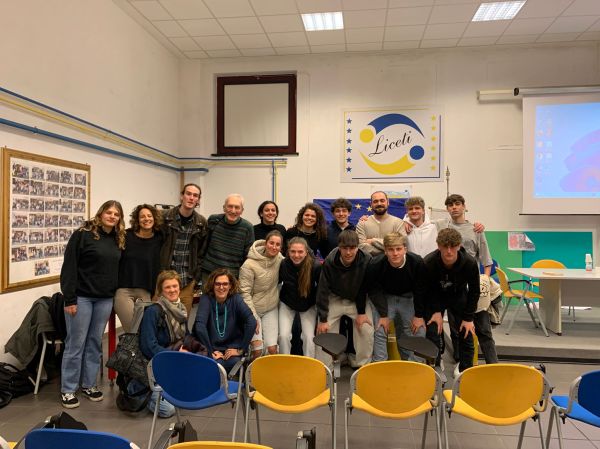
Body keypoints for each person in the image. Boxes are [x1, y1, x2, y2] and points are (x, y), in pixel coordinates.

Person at [60, 200, 125, 409]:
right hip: (81, 298)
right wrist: (69, 298)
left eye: (116, 214)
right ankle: (68, 389)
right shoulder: (83, 234)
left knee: (94, 343)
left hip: (104, 299)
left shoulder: (117, 239)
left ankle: (89, 385)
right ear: (101, 213)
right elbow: (69, 266)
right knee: (75, 344)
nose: (112, 216)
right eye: (109, 212)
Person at [440, 194, 500, 368]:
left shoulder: (476, 229)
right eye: (450, 205)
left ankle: (493, 365)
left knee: (483, 328)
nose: (454, 207)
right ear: (447, 209)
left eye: (457, 204)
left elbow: (486, 260)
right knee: (456, 328)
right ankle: (461, 363)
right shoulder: (442, 227)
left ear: (464, 206)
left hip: (473, 284)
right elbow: (418, 220)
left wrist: (484, 280)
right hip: (453, 287)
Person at [412, 228, 479, 373]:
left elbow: (474, 291)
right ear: (438, 246)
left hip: (458, 295)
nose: (449, 251)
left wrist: (468, 318)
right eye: (445, 246)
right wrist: (433, 311)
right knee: (432, 331)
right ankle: (435, 365)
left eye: (453, 246)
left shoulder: (470, 263)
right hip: (434, 296)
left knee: (466, 331)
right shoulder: (428, 262)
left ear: (459, 246)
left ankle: (465, 368)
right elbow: (421, 291)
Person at [316, 230, 374, 368]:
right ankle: (326, 368)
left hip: (357, 299)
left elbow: (364, 288)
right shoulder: (330, 261)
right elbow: (322, 290)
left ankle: (363, 366)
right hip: (335, 297)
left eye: (352, 248)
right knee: (324, 329)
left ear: (358, 247)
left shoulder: (366, 260)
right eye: (344, 248)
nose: (348, 252)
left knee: (366, 328)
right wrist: (323, 319)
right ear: (339, 247)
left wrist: (361, 312)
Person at [136, 270, 189, 418]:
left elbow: (186, 337)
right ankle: (141, 396)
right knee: (168, 410)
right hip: (154, 366)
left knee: (190, 396)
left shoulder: (181, 309)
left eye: (175, 286)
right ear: (160, 290)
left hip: (172, 363)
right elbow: (148, 346)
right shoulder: (153, 311)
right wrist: (174, 354)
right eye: (167, 287)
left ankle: (171, 387)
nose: (172, 290)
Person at [370, 233, 427, 361]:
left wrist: (419, 316)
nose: (395, 253)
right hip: (386, 298)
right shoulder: (376, 264)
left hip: (409, 298)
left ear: (405, 249)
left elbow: (420, 290)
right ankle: (380, 363)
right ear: (385, 251)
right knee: (380, 328)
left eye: (398, 249)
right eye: (391, 249)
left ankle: (415, 365)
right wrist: (383, 315)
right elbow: (374, 291)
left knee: (418, 330)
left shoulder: (417, 262)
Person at [194, 269, 256, 372]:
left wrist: (241, 350)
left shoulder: (236, 299)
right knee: (215, 365)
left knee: (234, 362)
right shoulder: (206, 299)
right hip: (212, 348)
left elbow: (252, 322)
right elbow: (200, 327)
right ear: (212, 285)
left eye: (225, 284)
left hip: (232, 349)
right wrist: (210, 352)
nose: (221, 287)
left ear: (230, 285)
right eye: (217, 284)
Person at [114, 204, 164, 332]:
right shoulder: (126, 236)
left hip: (145, 291)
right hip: (124, 291)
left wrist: (157, 293)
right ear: (137, 219)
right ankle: (129, 346)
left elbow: (158, 267)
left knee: (146, 329)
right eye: (142, 216)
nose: (146, 219)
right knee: (132, 329)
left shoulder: (160, 238)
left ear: (154, 218)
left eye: (149, 216)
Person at [160, 183, 207, 314]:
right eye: (188, 194)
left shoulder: (201, 222)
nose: (191, 198)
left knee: (182, 321)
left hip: (187, 281)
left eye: (195, 195)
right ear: (182, 196)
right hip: (164, 279)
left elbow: (202, 253)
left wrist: (196, 278)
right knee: (160, 319)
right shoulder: (164, 218)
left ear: (198, 199)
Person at [239, 231, 284, 358]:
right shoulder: (249, 264)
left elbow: (296, 261)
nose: (274, 247)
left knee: (272, 349)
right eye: (271, 243)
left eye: (277, 244)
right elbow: (244, 292)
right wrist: (252, 316)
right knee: (257, 350)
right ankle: (251, 369)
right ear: (265, 243)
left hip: (271, 308)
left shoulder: (280, 259)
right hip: (253, 309)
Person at [278, 237, 321, 357]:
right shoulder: (284, 264)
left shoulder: (315, 266)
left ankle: (309, 364)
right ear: (288, 251)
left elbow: (322, 291)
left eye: (300, 252)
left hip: (308, 304)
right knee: (283, 336)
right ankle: (284, 362)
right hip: (287, 302)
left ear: (306, 252)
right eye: (293, 251)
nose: (296, 255)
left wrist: (323, 316)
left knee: (309, 337)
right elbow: (277, 283)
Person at [201, 194, 254, 281]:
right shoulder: (213, 220)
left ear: (242, 210)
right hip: (209, 273)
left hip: (231, 277)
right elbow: (203, 245)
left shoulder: (248, 228)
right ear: (224, 208)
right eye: (230, 206)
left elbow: (248, 256)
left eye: (237, 207)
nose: (233, 211)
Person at [356, 191, 406, 256]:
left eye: (382, 201)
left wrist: (373, 241)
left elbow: (401, 244)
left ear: (388, 202)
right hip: (370, 262)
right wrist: (389, 249)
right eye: (375, 201)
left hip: (392, 262)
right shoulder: (362, 224)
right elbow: (361, 247)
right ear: (371, 204)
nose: (379, 204)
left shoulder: (398, 223)